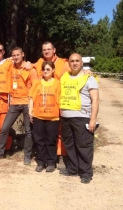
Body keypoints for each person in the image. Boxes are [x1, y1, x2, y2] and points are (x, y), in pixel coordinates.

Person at [0, 47, 37, 165]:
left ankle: (27, 155)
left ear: (23, 54)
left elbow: (36, 87)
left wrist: (33, 107)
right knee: (4, 128)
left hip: (26, 103)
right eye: (14, 55)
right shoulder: (10, 66)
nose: (16, 57)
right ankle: (0, 152)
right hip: (14, 103)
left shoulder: (30, 68)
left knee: (28, 131)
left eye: (18, 55)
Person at [59, 53, 99, 184]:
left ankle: (86, 172)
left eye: (77, 61)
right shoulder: (64, 77)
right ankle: (72, 168)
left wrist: (92, 119)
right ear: (68, 63)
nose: (75, 63)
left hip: (82, 117)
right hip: (66, 117)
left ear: (82, 63)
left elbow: (95, 100)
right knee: (69, 144)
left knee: (83, 145)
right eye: (72, 61)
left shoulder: (89, 78)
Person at [35, 41, 71, 162]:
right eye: (44, 49)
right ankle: (46, 157)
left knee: (61, 131)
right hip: (44, 106)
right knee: (47, 135)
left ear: (54, 50)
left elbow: (75, 72)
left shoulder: (63, 63)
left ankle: (61, 155)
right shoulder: (39, 63)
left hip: (60, 102)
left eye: (49, 49)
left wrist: (85, 71)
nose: (46, 51)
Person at [29, 61, 60, 172]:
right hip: (39, 116)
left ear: (53, 70)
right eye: (44, 69)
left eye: (48, 69)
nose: (46, 71)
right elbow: (31, 98)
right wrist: (30, 112)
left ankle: (51, 162)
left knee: (51, 140)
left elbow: (60, 99)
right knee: (39, 140)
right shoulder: (37, 83)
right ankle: (41, 162)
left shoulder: (57, 83)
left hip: (53, 117)